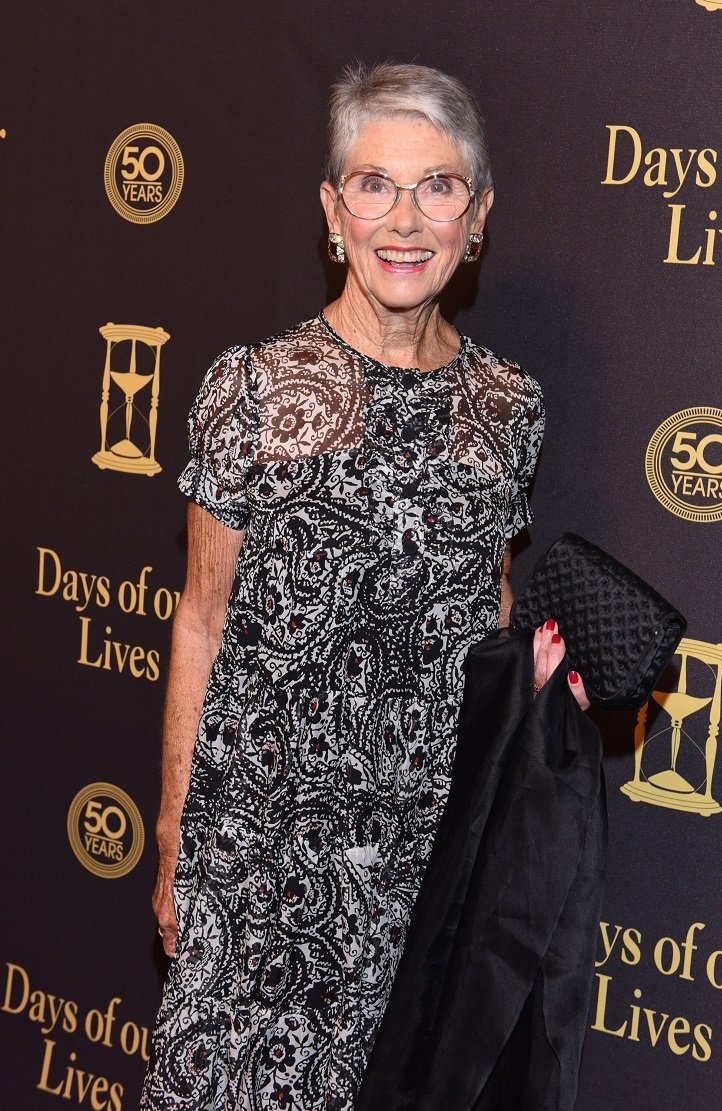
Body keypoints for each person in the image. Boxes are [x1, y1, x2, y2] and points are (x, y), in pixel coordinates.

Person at [141, 61, 588, 1111]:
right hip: (252, 856)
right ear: (331, 211)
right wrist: (172, 835)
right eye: (373, 184)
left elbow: (484, 613)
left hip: (415, 864)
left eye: (436, 187)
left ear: (475, 217)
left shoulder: (505, 407)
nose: (404, 217)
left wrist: (531, 683)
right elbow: (200, 620)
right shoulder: (250, 386)